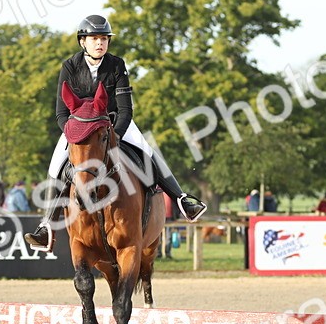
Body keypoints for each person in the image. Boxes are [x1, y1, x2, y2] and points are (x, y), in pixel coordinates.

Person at [25, 15, 205, 251]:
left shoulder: (117, 64)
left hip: (113, 123)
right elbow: (61, 113)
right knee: (56, 163)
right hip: (79, 128)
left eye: (104, 39)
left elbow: (125, 109)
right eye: (94, 38)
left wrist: (114, 136)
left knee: (147, 151)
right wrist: (75, 135)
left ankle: (182, 199)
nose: (100, 43)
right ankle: (46, 225)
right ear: (83, 42)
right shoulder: (69, 66)